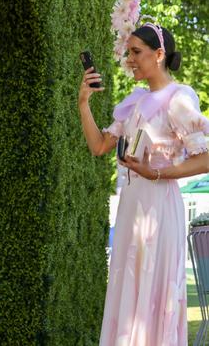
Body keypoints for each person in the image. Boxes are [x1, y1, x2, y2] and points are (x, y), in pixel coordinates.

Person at [78, 22, 209, 345]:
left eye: (137, 52)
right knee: (129, 287)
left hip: (160, 206)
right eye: (129, 52)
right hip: (131, 207)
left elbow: (205, 157)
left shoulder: (178, 99)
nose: (130, 59)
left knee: (155, 286)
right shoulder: (135, 101)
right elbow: (98, 146)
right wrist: (83, 102)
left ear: (159, 54)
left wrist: (158, 172)